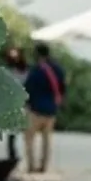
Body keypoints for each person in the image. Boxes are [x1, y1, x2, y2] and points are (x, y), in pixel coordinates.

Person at [23, 43, 66, 173]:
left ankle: (31, 166)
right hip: (51, 110)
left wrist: (27, 103)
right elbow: (62, 89)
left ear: (37, 54)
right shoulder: (58, 69)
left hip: (35, 110)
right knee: (46, 140)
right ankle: (43, 167)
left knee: (29, 138)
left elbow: (27, 89)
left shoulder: (36, 70)